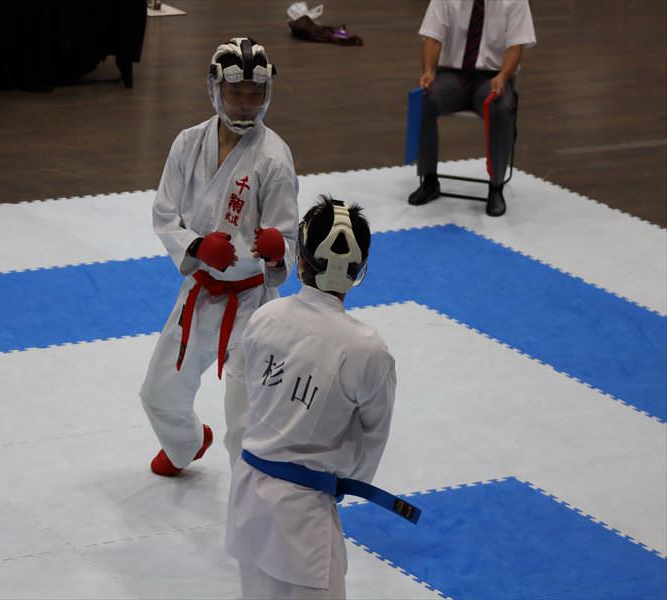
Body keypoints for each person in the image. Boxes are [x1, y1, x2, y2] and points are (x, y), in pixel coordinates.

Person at [140, 37, 299, 477]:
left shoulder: (274, 159)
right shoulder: (188, 143)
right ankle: (187, 443)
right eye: (236, 93)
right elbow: (164, 213)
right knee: (158, 395)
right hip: (201, 289)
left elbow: (287, 237)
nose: (246, 105)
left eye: (255, 94)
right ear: (215, 89)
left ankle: (251, 499)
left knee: (245, 419)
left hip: (252, 302)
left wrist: (276, 252)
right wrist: (195, 246)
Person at [227, 196, 396, 599]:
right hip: (303, 516)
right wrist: (343, 483)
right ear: (359, 268)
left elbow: (245, 405)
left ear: (300, 260)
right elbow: (373, 440)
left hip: (247, 493)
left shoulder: (264, 318)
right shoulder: (366, 349)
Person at [408, 0, 536, 217]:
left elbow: (515, 47)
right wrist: (428, 72)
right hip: (452, 75)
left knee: (500, 108)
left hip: (491, 76)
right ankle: (429, 180)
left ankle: (496, 186)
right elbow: (432, 38)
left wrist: (503, 76)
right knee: (425, 100)